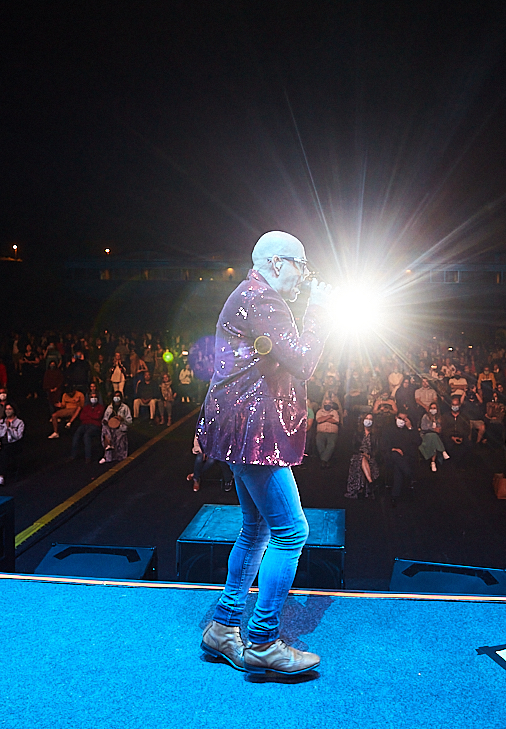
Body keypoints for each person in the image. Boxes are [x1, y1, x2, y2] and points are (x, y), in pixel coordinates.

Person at [196, 230, 331, 677]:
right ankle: (262, 641)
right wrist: (322, 312)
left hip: (239, 430)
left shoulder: (251, 295)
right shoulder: (266, 300)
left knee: (255, 529)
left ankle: (223, 628)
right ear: (277, 263)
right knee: (291, 532)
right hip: (254, 433)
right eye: (301, 265)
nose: (304, 275)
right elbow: (304, 361)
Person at [0, 403, 24, 486]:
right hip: (2, 442)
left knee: (3, 454)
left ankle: (1, 476)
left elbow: (18, 436)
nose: (8, 411)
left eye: (10, 409)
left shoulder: (19, 422)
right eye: (6, 409)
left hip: (12, 443)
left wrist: (9, 428)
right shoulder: (1, 422)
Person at [68, 392, 105, 465]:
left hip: (95, 425)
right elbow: (82, 417)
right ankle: (73, 455)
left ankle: (88, 457)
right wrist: (92, 414)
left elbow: (98, 416)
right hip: (84, 424)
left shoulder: (101, 407)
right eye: (92, 397)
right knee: (77, 434)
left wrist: (88, 414)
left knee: (87, 435)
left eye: (95, 397)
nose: (93, 399)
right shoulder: (86, 407)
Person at [344, 413, 375, 499]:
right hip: (358, 454)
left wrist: (369, 455)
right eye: (367, 418)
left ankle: (365, 486)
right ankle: (370, 482)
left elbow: (377, 449)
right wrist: (361, 453)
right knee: (360, 458)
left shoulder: (375, 435)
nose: (368, 420)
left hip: (370, 456)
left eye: (370, 419)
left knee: (363, 459)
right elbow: (353, 447)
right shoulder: (358, 433)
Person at [99, 391, 132, 464]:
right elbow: (105, 418)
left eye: (118, 396)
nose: (116, 398)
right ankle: (108, 447)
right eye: (115, 396)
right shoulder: (109, 408)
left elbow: (130, 421)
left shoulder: (125, 407)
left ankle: (111, 453)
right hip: (110, 427)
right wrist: (105, 421)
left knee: (117, 434)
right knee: (105, 429)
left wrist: (122, 419)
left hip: (120, 427)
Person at [313, 399, 340, 468]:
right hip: (321, 432)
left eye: (329, 403)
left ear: (331, 404)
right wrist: (328, 417)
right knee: (319, 443)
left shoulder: (335, 412)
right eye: (325, 403)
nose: (327, 404)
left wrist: (323, 418)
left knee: (331, 444)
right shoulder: (319, 411)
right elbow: (319, 420)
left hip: (332, 433)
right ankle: (325, 460)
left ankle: (323, 460)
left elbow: (336, 421)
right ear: (323, 404)